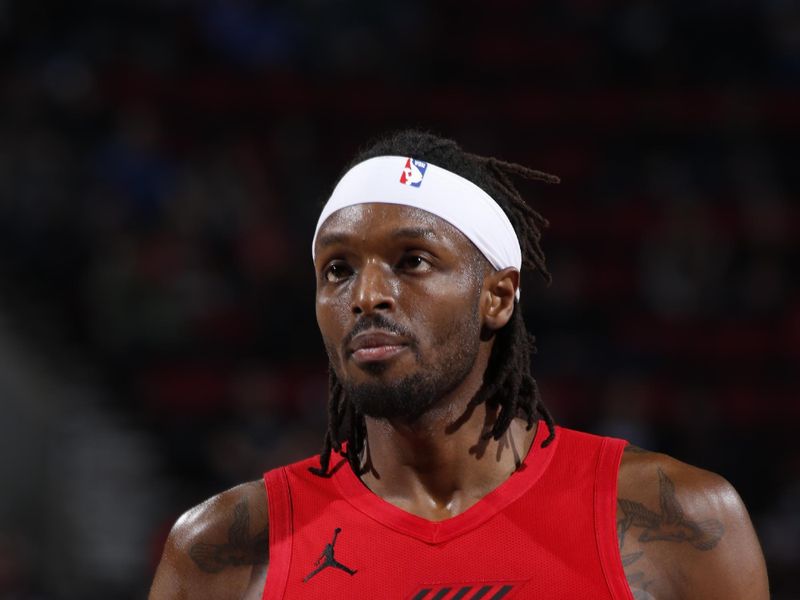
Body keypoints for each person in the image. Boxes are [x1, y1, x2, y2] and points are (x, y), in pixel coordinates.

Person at [149, 131, 769, 599]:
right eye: (337, 270)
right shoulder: (224, 550)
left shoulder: (677, 519)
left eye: (412, 260)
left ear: (496, 296)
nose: (366, 295)